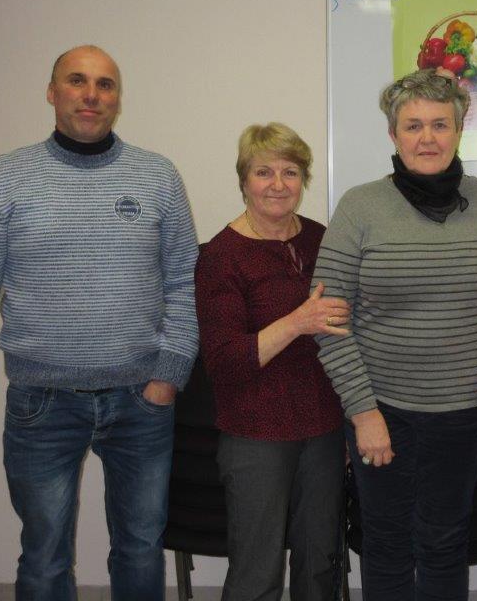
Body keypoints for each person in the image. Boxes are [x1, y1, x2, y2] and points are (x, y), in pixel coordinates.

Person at [0, 45, 199, 601]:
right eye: (77, 81)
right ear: (52, 92)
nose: (91, 95)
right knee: (44, 553)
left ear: (118, 98)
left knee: (139, 547)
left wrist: (169, 375)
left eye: (105, 85)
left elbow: (184, 281)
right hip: (41, 401)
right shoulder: (8, 178)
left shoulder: (156, 176)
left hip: (141, 400)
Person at [312, 68, 477, 601]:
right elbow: (328, 319)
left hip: (466, 410)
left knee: (447, 540)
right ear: (393, 135)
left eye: (440, 124)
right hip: (384, 410)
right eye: (413, 125)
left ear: (459, 130)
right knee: (387, 541)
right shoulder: (360, 206)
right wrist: (363, 411)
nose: (427, 138)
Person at [195, 122, 350, 601]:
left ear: (304, 180)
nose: (278, 184)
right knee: (257, 572)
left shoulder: (322, 240)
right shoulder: (221, 256)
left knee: (320, 564)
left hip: (324, 428)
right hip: (255, 435)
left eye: (290, 171)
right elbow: (223, 362)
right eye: (264, 172)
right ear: (243, 180)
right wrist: (297, 321)